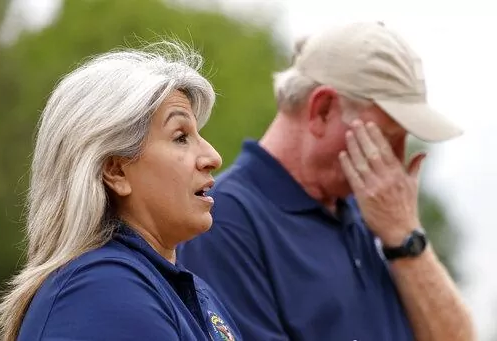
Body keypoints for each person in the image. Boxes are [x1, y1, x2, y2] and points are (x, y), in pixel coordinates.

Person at [178, 22, 476, 341]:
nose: (397, 159)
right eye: (388, 137)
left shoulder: (373, 215)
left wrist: (405, 237)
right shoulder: (222, 221)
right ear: (322, 110)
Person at [0, 42, 241, 341]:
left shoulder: (178, 288)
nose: (213, 157)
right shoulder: (101, 292)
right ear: (116, 171)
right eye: (180, 137)